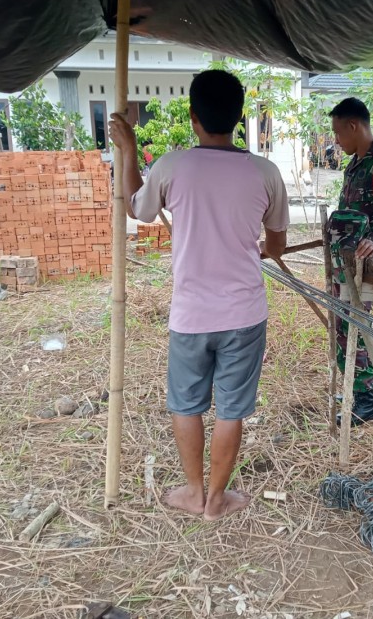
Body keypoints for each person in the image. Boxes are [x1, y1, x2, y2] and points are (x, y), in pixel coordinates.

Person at [108, 70, 289, 521]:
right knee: (231, 410)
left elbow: (138, 208)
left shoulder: (173, 166)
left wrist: (129, 150)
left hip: (190, 315)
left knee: (186, 404)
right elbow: (278, 245)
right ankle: (216, 502)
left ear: (192, 116)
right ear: (240, 116)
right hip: (245, 312)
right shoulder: (265, 172)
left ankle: (193, 492)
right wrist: (254, 246)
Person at [327, 97, 373, 425]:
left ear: (353, 126)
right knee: (343, 326)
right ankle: (356, 389)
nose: (336, 140)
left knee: (356, 327)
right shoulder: (354, 164)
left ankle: (368, 400)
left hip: (364, 265)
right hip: (344, 263)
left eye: (338, 133)